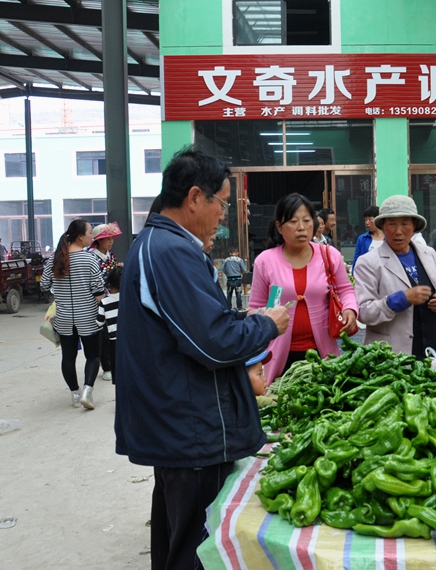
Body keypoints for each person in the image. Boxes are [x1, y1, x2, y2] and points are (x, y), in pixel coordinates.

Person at [115, 148, 289, 570]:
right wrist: (266, 325)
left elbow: (192, 327)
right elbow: (213, 343)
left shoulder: (157, 244)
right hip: (191, 429)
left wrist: (240, 321)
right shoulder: (170, 251)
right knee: (196, 549)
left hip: (177, 426)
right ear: (195, 197)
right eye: (222, 203)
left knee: (175, 541)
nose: (224, 216)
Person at [250, 193, 358, 383]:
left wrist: (350, 309)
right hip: (278, 355)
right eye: (293, 221)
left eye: (306, 221)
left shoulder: (329, 255)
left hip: (322, 354)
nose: (301, 227)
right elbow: (255, 307)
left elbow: (345, 289)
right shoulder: (265, 261)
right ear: (279, 227)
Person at [354, 195, 436, 359]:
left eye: (405, 224)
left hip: (434, 352)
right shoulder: (368, 263)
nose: (398, 231)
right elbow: (364, 311)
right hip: (393, 358)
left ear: (414, 226)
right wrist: (401, 299)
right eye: (392, 224)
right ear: (382, 226)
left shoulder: (428, 254)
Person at [40, 219, 105, 409]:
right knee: (93, 356)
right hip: (89, 317)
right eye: (90, 232)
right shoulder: (89, 259)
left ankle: (75, 395)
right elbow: (98, 291)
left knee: (68, 357)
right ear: (80, 236)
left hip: (64, 318)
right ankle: (87, 392)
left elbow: (44, 285)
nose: (92, 236)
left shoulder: (54, 259)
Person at [87, 221, 123, 382]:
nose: (111, 242)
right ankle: (106, 366)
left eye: (112, 239)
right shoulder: (91, 257)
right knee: (102, 335)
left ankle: (111, 364)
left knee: (112, 333)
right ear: (98, 240)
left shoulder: (112, 257)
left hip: (111, 300)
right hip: (96, 301)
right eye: (107, 239)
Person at [96, 266, 122, 385]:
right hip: (129, 339)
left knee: (116, 370)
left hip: (114, 341)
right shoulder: (129, 298)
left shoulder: (105, 302)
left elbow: (99, 322)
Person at [351, 205, 382, 274]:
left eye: (370, 219)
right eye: (365, 220)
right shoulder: (362, 239)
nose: (367, 223)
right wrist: (354, 275)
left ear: (378, 219)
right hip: (367, 275)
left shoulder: (388, 238)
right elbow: (356, 260)